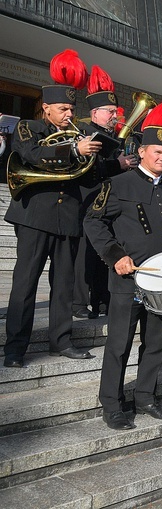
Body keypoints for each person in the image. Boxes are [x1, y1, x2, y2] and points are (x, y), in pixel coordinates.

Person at [84, 97, 162, 430]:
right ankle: (111, 402)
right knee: (119, 343)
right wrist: (115, 256)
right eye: (157, 152)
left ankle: (146, 396)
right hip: (126, 278)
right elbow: (93, 222)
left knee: (155, 342)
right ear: (144, 152)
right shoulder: (119, 184)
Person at [3, 49, 97, 368]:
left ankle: (61, 341)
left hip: (67, 218)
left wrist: (118, 163)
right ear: (46, 109)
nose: (69, 114)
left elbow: (91, 175)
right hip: (33, 216)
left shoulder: (80, 135)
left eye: (71, 108)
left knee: (64, 285)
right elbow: (30, 155)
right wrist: (73, 148)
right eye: (62, 108)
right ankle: (15, 348)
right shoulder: (29, 128)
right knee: (26, 282)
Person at [73, 65, 138, 320]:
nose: (114, 115)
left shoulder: (115, 138)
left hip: (110, 201)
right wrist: (117, 163)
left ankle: (101, 299)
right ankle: (78, 302)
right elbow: (88, 170)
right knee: (83, 254)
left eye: (114, 111)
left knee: (105, 251)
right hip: (87, 198)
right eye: (110, 112)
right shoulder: (83, 133)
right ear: (95, 113)